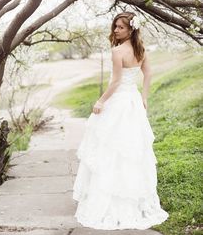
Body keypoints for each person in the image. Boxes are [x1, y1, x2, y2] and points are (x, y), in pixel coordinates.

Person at [72, 12, 169, 230]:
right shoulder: (140, 50)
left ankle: (113, 198)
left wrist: (100, 101)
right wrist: (143, 96)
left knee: (114, 148)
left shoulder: (118, 51)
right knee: (128, 148)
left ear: (130, 29)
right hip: (133, 101)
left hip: (119, 102)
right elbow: (148, 73)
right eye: (115, 26)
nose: (116, 30)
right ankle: (127, 196)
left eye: (120, 27)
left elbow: (115, 82)